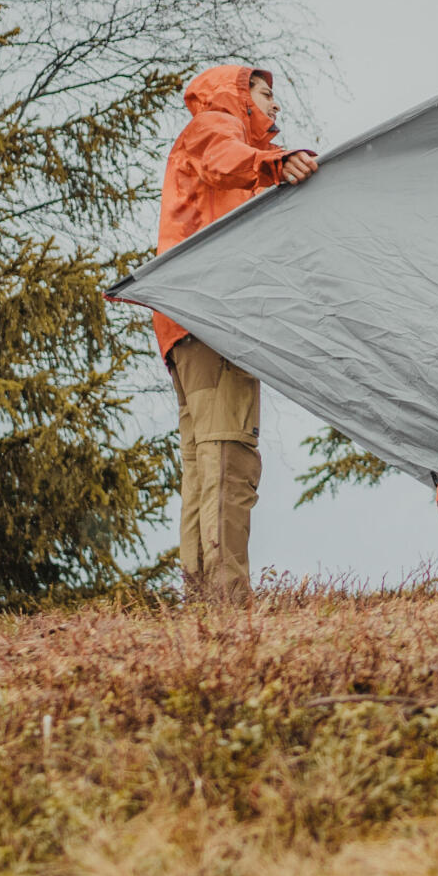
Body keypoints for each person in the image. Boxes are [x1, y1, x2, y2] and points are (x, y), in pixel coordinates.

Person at [153, 66, 318, 595]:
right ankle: (227, 604)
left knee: (204, 465)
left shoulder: (207, 138)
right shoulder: (216, 128)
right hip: (214, 320)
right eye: (267, 95)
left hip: (184, 325)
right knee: (229, 459)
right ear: (238, 94)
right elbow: (225, 161)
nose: (274, 108)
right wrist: (274, 162)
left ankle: (203, 602)